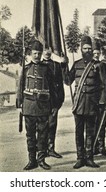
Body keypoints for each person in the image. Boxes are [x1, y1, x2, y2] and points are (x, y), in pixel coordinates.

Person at [62, 36, 106, 169]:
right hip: (79, 104)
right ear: (81, 49)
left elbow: (104, 86)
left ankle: (89, 158)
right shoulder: (76, 64)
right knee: (79, 132)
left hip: (92, 104)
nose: (87, 51)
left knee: (91, 132)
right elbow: (67, 81)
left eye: (89, 48)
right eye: (85, 48)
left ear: (92, 50)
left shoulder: (98, 65)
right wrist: (64, 66)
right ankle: (80, 158)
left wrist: (102, 101)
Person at [16, 40, 61, 170]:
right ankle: (32, 161)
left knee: (43, 135)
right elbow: (20, 87)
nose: (37, 55)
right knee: (30, 136)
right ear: (30, 54)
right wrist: (20, 103)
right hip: (29, 106)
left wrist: (54, 105)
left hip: (43, 107)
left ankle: (41, 160)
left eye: (39, 53)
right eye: (35, 53)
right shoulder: (26, 68)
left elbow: (52, 88)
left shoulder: (47, 69)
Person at [42, 47, 64, 158]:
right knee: (41, 126)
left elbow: (60, 85)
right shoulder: (38, 65)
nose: (47, 52)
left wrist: (59, 102)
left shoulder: (56, 66)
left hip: (53, 101)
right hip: (40, 102)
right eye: (44, 50)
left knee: (52, 125)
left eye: (48, 50)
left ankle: (51, 149)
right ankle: (41, 150)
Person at [92, 40, 106, 156]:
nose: (96, 55)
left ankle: (101, 146)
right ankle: (92, 147)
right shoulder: (88, 66)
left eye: (97, 53)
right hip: (91, 100)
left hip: (102, 99)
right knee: (92, 124)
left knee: (102, 124)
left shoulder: (104, 66)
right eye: (94, 53)